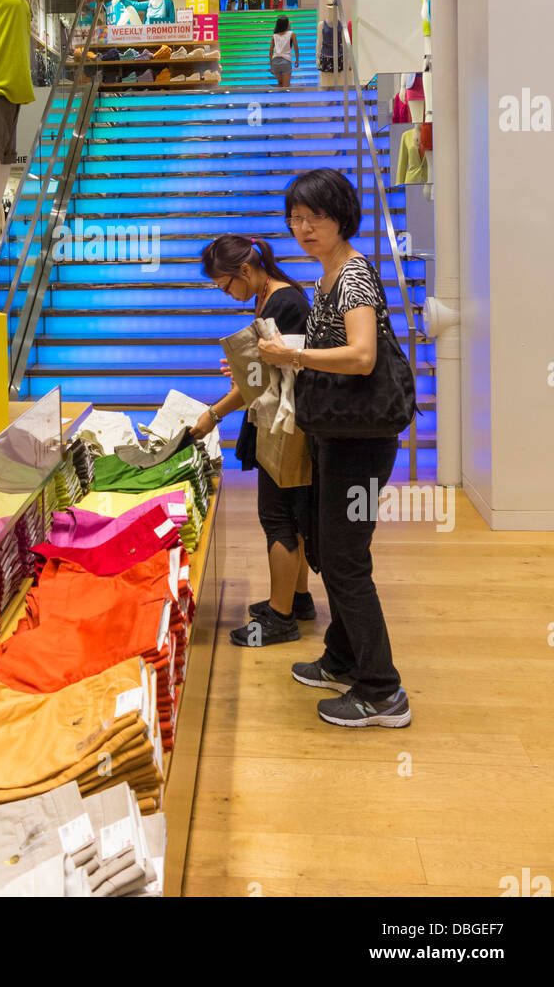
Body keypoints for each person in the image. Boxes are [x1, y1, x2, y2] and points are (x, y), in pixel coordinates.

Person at [257, 169, 411, 728]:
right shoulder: (325, 278)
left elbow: (363, 355)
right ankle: (344, 658)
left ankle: (382, 690)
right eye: (295, 219)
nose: (302, 229)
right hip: (337, 436)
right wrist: (271, 357)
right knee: (332, 550)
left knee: (345, 562)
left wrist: (292, 358)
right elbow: (329, 347)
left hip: (362, 442)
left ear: (341, 216)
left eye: (313, 218)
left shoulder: (352, 275)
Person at [191, 236, 317, 647]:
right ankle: (295, 600)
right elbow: (263, 375)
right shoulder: (277, 298)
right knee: (291, 519)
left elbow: (261, 384)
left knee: (278, 519)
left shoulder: (283, 304)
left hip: (287, 428)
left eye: (226, 285)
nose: (227, 294)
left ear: (244, 271)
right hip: (285, 423)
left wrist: (213, 414)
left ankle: (281, 619)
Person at [269, 15, 299, 88]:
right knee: (286, 87)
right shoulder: (292, 34)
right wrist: (297, 60)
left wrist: (271, 65)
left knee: (279, 84)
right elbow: (296, 48)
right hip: (285, 61)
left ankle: (278, 99)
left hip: (275, 62)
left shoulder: (274, 36)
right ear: (286, 24)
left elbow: (270, 52)